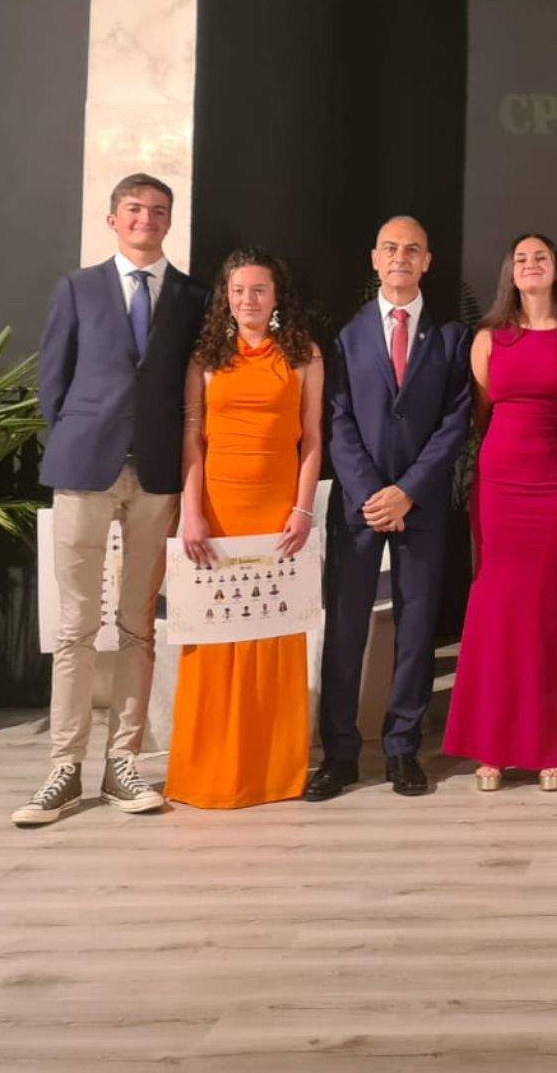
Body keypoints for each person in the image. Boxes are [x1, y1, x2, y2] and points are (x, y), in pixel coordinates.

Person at [16, 174, 208, 827]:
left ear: (169, 221)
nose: (146, 219)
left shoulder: (192, 296)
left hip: (156, 475)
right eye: (134, 209)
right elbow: (52, 380)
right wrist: (81, 437)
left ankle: (122, 763)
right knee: (74, 628)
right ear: (112, 219)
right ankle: (63, 769)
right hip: (84, 468)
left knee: (137, 627)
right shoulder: (77, 288)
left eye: (158, 210)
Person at [304, 217, 472, 802]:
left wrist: (409, 490)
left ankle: (403, 748)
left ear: (427, 262)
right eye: (391, 248)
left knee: (417, 628)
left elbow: (456, 422)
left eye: (413, 249)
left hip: (421, 505)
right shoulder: (345, 336)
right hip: (359, 505)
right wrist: (372, 492)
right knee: (345, 629)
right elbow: (337, 419)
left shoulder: (451, 339)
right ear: (375, 258)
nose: (401, 257)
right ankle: (340, 755)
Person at [166, 249, 324, 809]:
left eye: (259, 289)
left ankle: (272, 772)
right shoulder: (205, 357)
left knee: (272, 630)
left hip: (277, 514)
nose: (248, 300)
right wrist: (192, 512)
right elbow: (193, 439)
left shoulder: (303, 355)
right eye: (238, 291)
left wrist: (303, 510)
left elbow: (312, 438)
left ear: (276, 296)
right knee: (215, 635)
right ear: (225, 298)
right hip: (219, 509)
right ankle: (208, 772)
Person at [440, 233, 557, 791]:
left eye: (541, 257)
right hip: (501, 484)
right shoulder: (488, 337)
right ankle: (493, 745)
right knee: (497, 605)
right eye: (521, 259)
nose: (531, 265)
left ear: (556, 268)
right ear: (510, 272)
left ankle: (551, 744)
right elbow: (483, 414)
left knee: (551, 605)